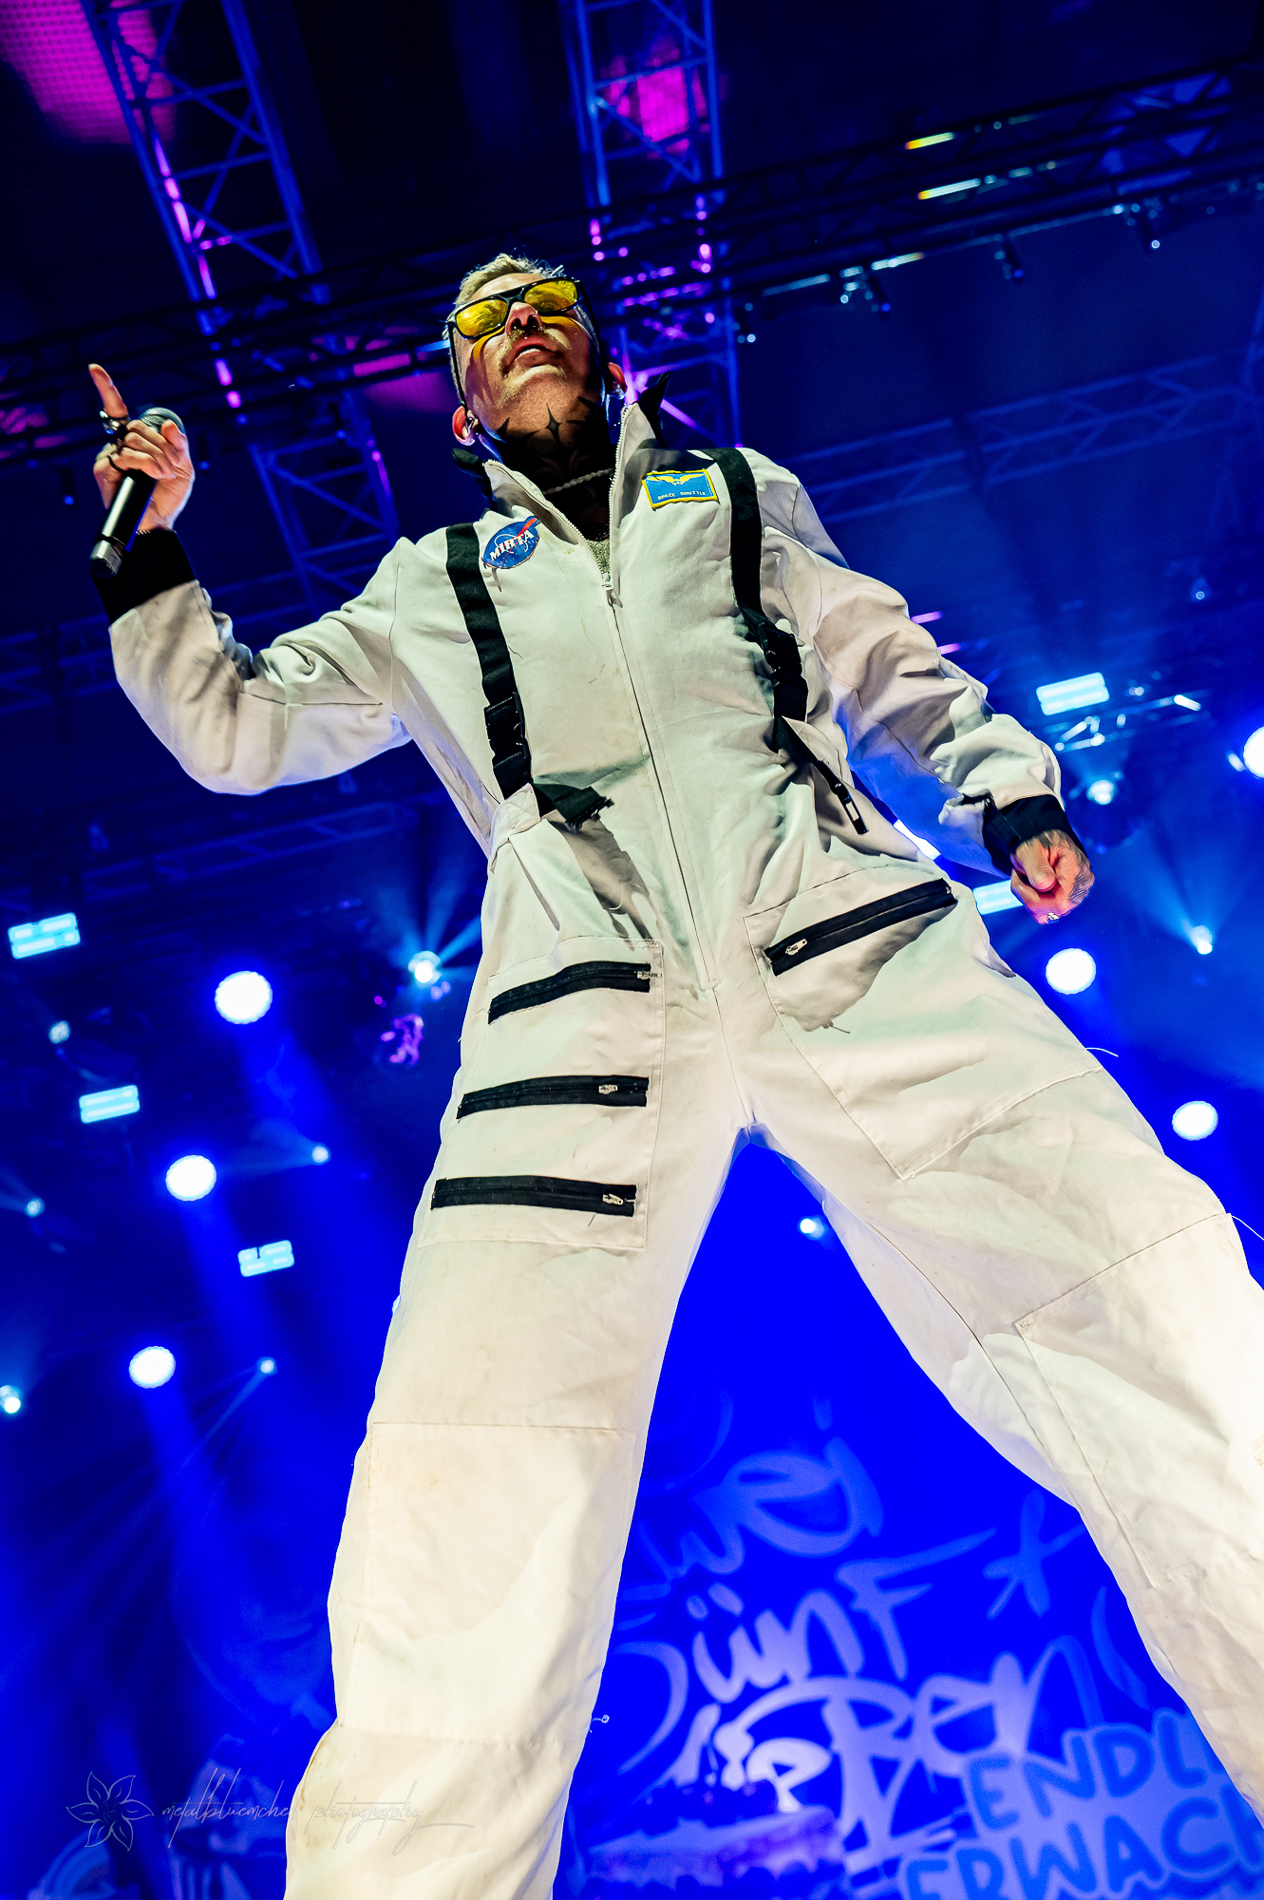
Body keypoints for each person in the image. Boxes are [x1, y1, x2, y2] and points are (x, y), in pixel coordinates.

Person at [88, 256, 1264, 1895]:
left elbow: (883, 661)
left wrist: (1007, 789)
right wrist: (146, 550)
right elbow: (240, 729)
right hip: (584, 1019)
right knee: (470, 1473)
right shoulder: (430, 580)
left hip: (851, 951)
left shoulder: (734, 496)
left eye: (546, 305)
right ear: (462, 403)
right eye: (484, 326)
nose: (521, 327)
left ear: (603, 347)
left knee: (1156, 1310)